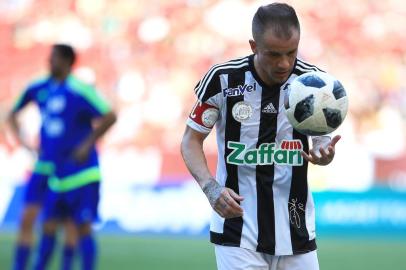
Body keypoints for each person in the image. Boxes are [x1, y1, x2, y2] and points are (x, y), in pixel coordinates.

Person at [180, 3, 341, 270]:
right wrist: (211, 188)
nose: (285, 63)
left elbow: (322, 141)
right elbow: (190, 140)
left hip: (295, 228)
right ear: (254, 46)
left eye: (291, 53)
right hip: (237, 229)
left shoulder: (315, 83)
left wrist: (324, 153)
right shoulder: (223, 80)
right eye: (274, 55)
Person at [9, 45, 80, 270]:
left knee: (61, 224)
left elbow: (106, 116)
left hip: (67, 169)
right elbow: (11, 114)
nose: (49, 63)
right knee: (27, 218)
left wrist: (84, 146)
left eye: (54, 59)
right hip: (42, 166)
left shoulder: (78, 91)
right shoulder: (38, 87)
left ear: (67, 62)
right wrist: (24, 145)